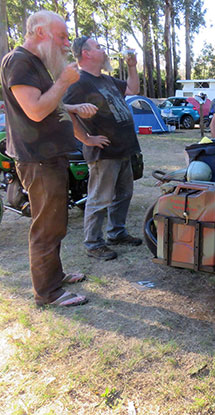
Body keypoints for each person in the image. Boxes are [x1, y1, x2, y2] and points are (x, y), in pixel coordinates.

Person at [0, 10, 102, 306]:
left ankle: (54, 277)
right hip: (37, 158)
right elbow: (34, 110)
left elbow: (47, 103)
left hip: (49, 156)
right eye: (62, 36)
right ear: (40, 32)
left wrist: (71, 106)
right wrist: (64, 83)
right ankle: (48, 293)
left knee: (55, 222)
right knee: (46, 226)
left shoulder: (35, 63)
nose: (66, 43)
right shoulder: (18, 61)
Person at [63, 35, 142, 261]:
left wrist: (132, 67)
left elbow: (133, 88)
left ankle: (116, 233)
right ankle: (93, 243)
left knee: (124, 194)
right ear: (86, 53)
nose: (103, 50)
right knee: (99, 199)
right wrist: (86, 139)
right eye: (98, 47)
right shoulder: (77, 81)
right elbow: (65, 110)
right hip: (103, 152)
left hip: (123, 148)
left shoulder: (106, 79)